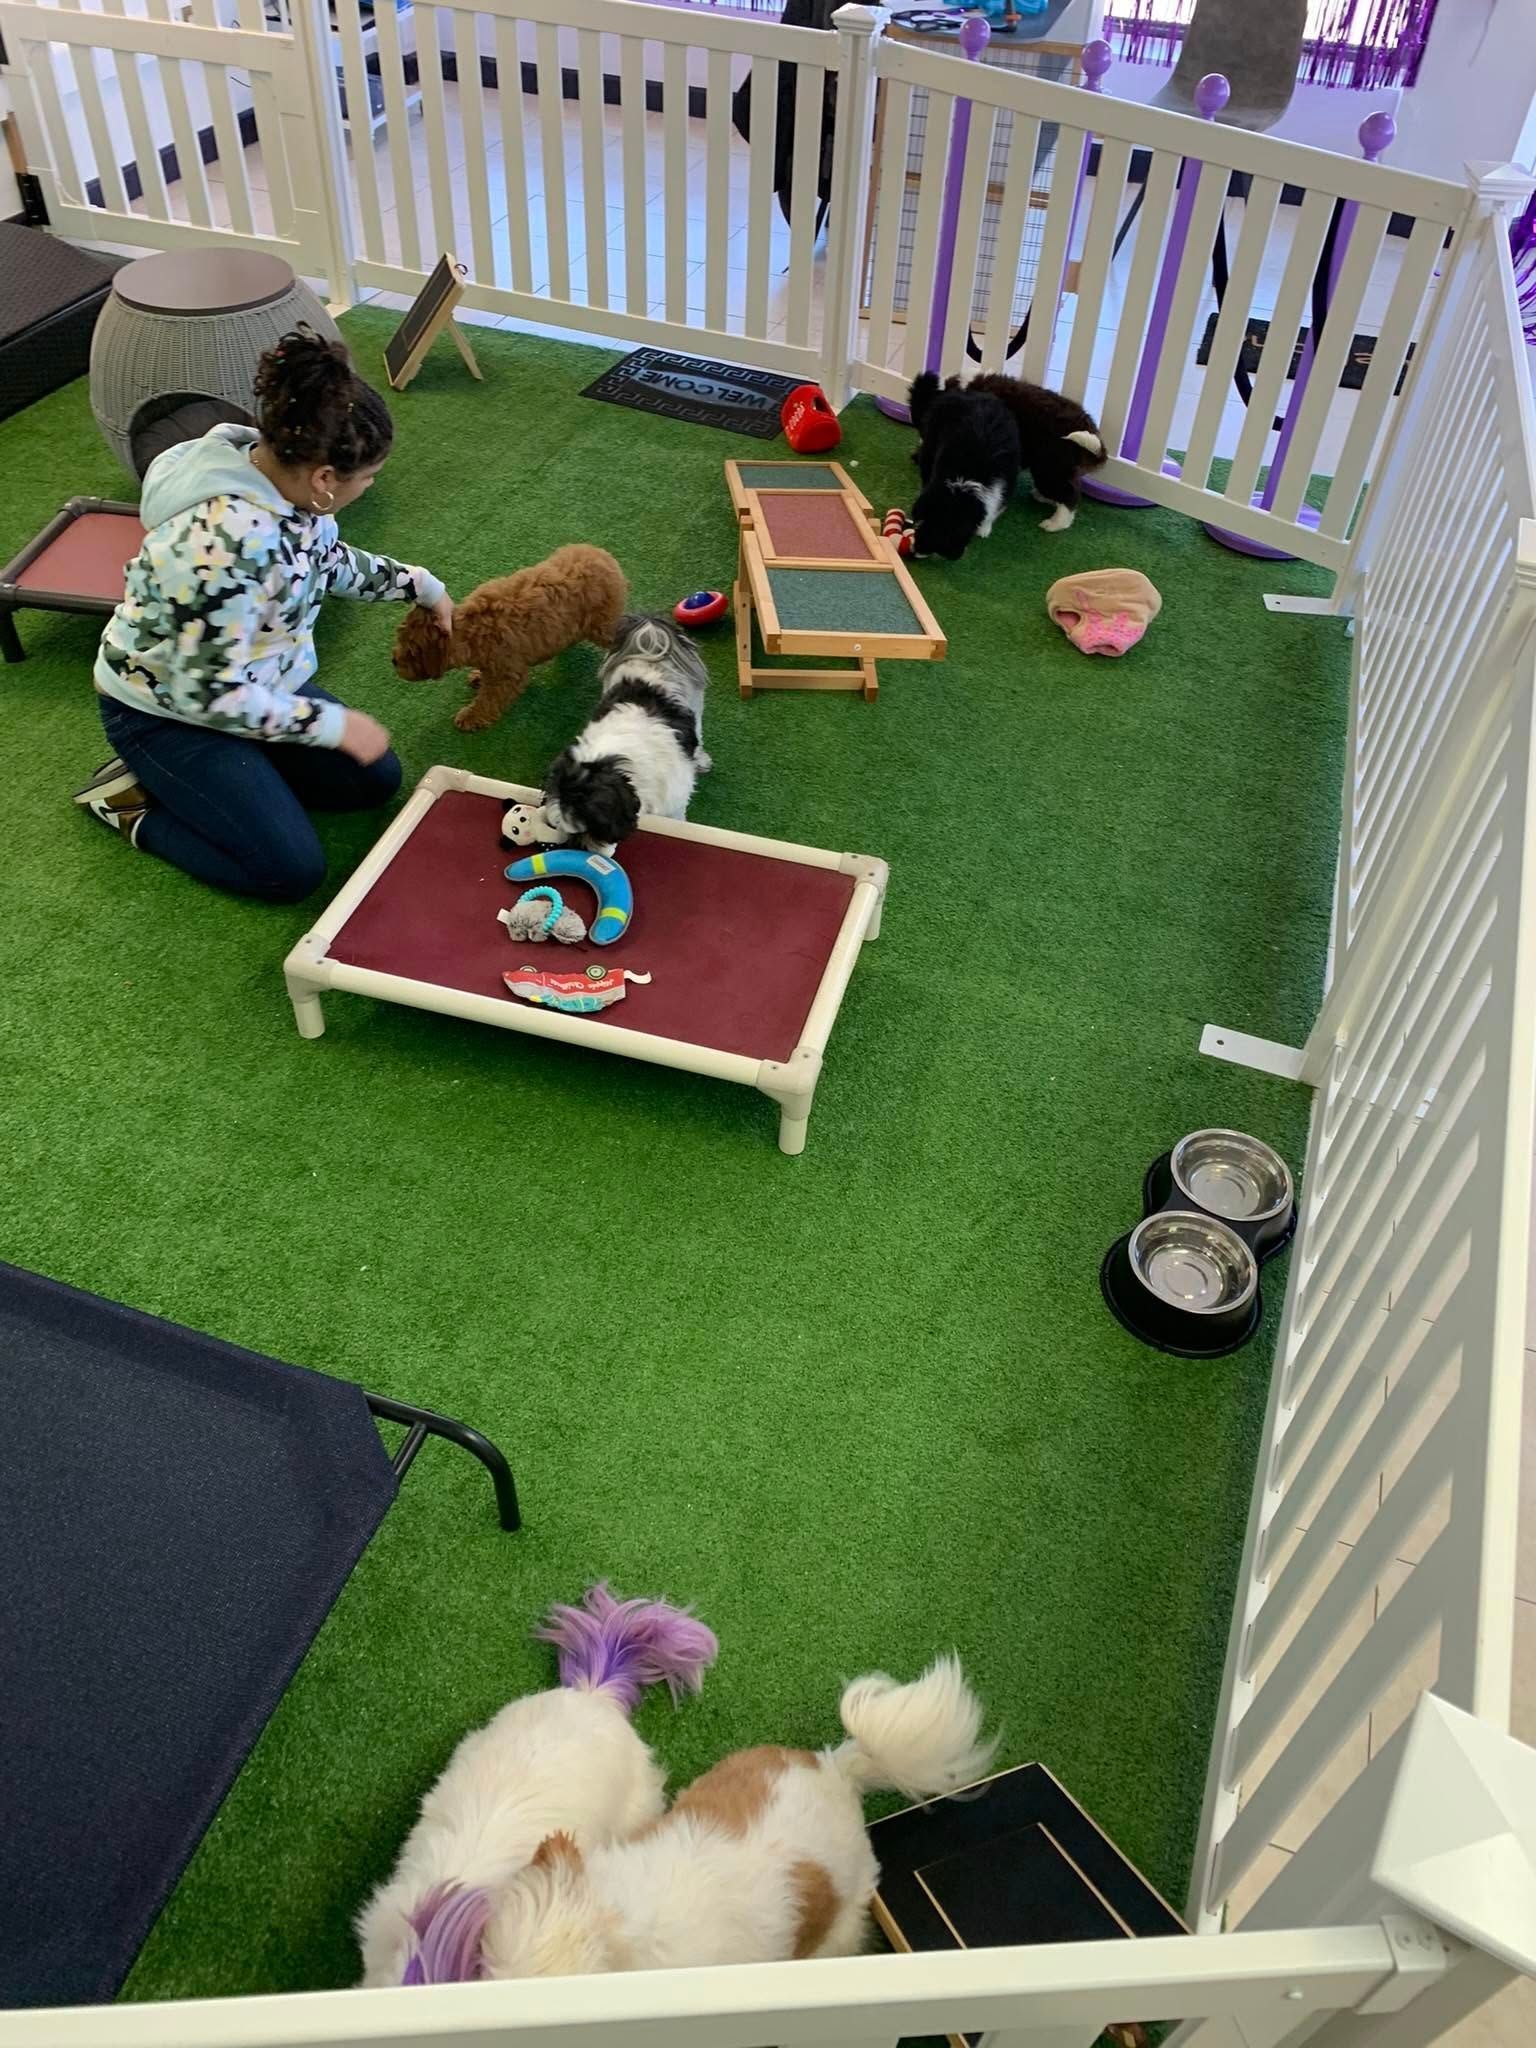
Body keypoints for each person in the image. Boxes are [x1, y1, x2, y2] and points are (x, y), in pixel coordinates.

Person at [73, 328, 451, 902]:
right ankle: (129, 804)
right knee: (289, 871)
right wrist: (330, 725)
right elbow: (210, 696)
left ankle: (233, 775)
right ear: (325, 479)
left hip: (253, 689)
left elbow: (324, 558)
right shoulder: (220, 549)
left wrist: (420, 586)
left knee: (374, 781)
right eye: (368, 476)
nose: (371, 484)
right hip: (167, 711)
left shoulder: (283, 482)